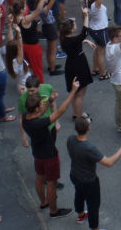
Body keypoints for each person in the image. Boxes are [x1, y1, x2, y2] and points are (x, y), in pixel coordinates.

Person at [22, 77, 81, 219]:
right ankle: (54, 211)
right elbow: (60, 111)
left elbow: (40, 112)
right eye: (40, 105)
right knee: (51, 183)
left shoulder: (26, 117)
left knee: (39, 177)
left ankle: (43, 203)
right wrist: (73, 91)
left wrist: (49, 101)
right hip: (49, 155)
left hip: (37, 153)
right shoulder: (40, 123)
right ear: (36, 108)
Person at [67, 118, 121, 230]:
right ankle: (94, 228)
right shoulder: (89, 148)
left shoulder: (70, 139)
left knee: (79, 194)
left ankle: (80, 215)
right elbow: (109, 162)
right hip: (89, 182)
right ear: (88, 128)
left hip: (75, 175)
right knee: (93, 206)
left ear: (75, 129)